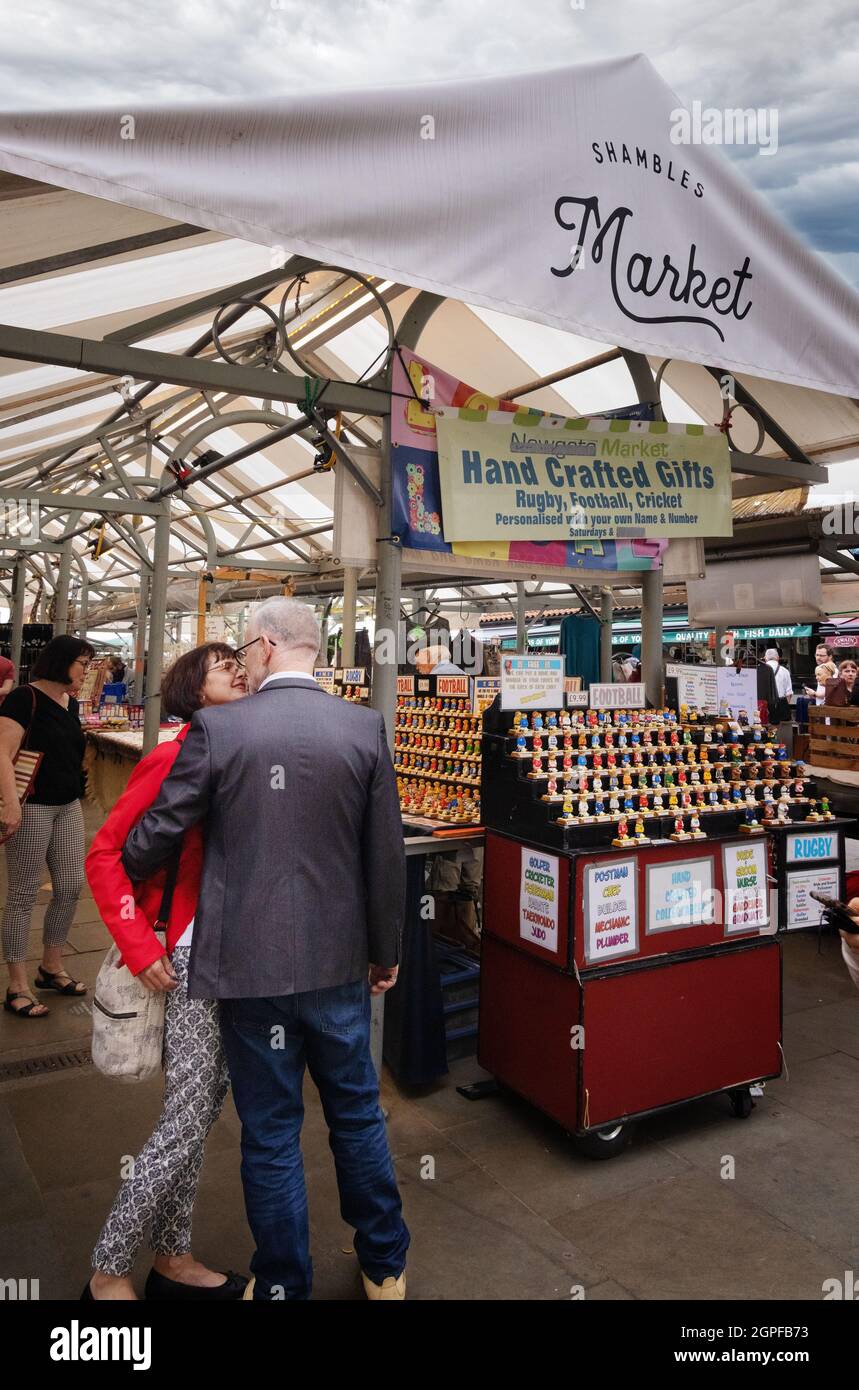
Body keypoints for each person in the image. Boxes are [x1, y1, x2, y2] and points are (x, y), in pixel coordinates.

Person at [122, 598, 409, 1301]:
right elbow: (384, 855)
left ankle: (283, 1283)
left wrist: (149, 859)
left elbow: (151, 836)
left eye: (246, 651)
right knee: (357, 1114)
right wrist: (384, 952)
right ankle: (384, 1267)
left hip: (248, 969)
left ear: (265, 646)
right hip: (340, 961)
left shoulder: (219, 729)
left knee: (272, 1131)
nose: (243, 662)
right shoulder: (363, 727)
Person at [83, 643, 249, 1302]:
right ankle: (107, 1268)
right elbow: (104, 854)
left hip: (232, 956)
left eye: (241, 662)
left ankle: (172, 1256)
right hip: (184, 952)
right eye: (220, 666)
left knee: (203, 1108)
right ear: (190, 688)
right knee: (185, 1115)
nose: (237, 669)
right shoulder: (175, 753)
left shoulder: (239, 749)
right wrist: (138, 941)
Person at [0, 635, 94, 1018]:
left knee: (71, 886)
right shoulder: (26, 699)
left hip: (68, 805)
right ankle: (16, 984)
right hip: (33, 807)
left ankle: (50, 965)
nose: (86, 672)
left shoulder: (70, 703)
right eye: (82, 664)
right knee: (22, 895)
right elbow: (2, 755)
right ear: (61, 662)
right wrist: (9, 805)